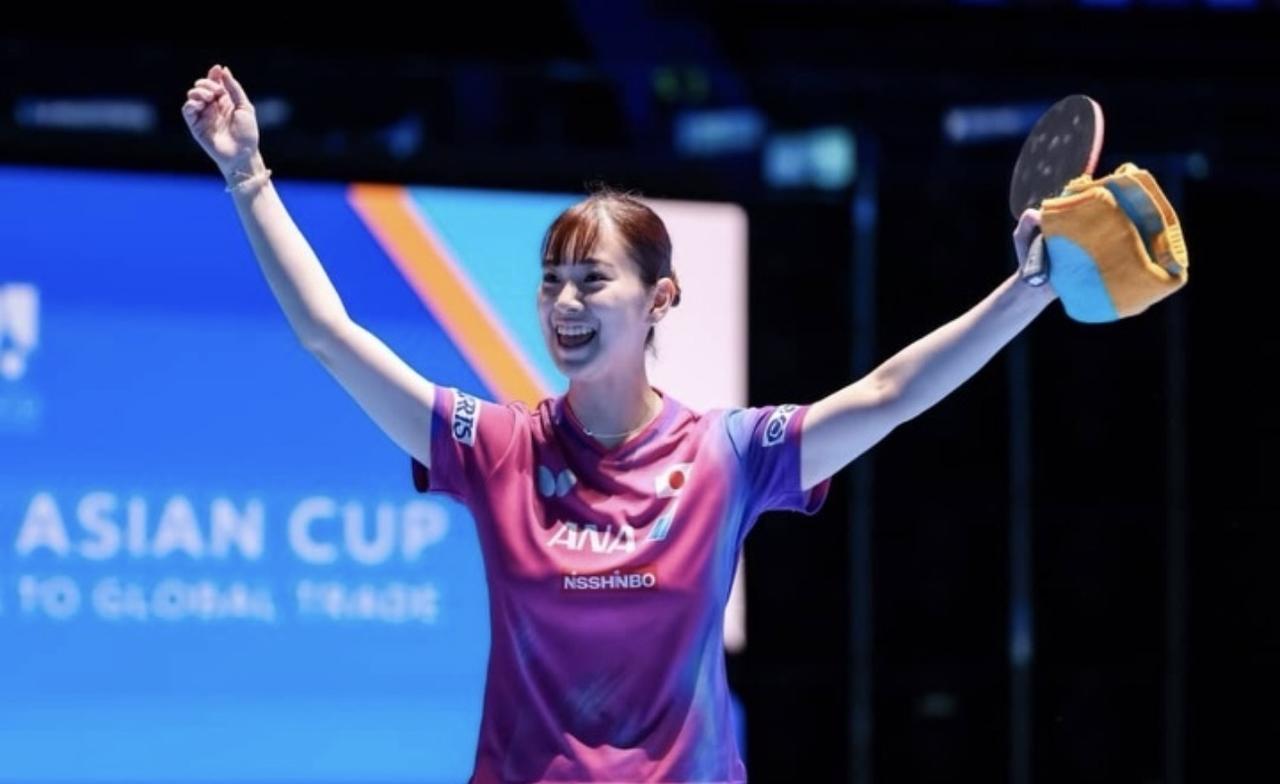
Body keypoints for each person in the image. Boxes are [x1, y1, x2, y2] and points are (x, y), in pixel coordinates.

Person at [183, 63, 1055, 783]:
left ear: (658, 299)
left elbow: (889, 393)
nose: (565, 303)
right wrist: (247, 176)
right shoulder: (496, 448)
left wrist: (1026, 294)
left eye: (592, 281)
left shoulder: (726, 455)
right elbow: (330, 336)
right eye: (551, 281)